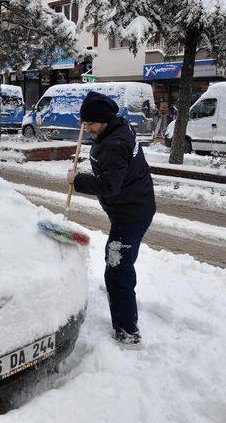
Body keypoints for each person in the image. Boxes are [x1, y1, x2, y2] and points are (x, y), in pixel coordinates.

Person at [67, 91, 156, 345]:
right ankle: (121, 303)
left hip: (131, 213)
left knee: (118, 269)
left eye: (91, 123)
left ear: (105, 120)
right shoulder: (118, 128)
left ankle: (128, 330)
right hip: (133, 208)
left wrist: (77, 180)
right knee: (117, 263)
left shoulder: (113, 145)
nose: (86, 127)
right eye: (84, 122)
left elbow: (109, 185)